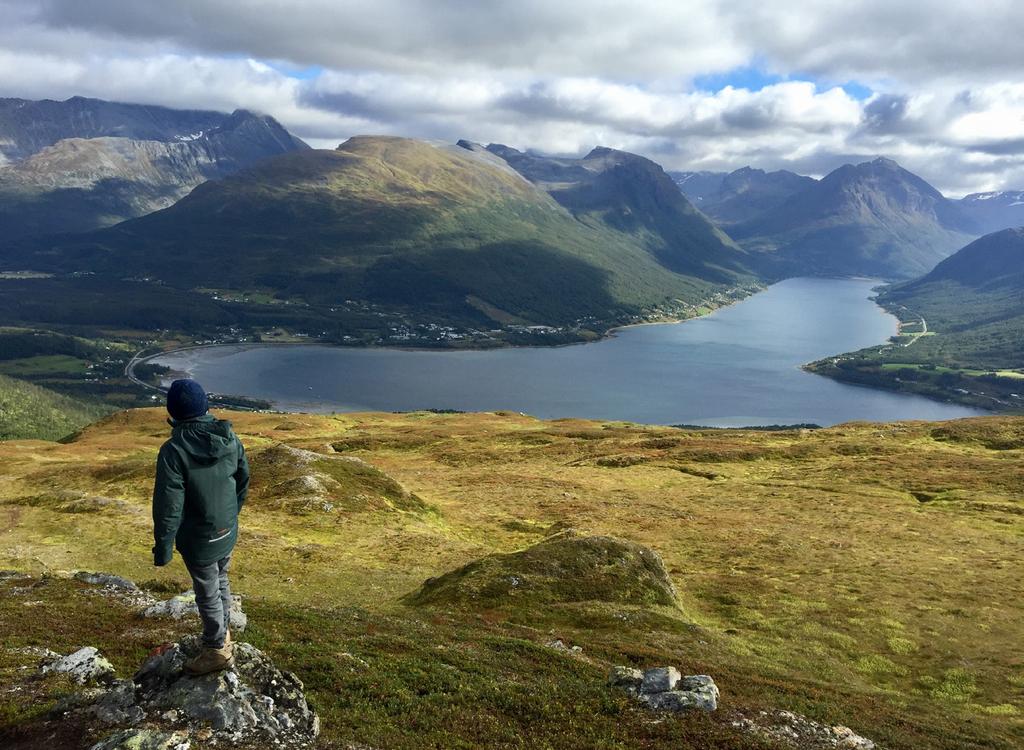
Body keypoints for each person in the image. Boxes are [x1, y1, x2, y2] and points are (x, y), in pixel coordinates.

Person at [152, 379, 250, 675]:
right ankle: (223, 632)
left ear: (174, 413)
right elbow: (242, 479)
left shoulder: (174, 451)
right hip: (226, 529)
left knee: (207, 590)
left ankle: (216, 649)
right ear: (205, 407)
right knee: (220, 578)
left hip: (199, 538)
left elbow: (169, 506)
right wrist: (231, 515)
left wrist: (164, 548)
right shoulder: (229, 437)